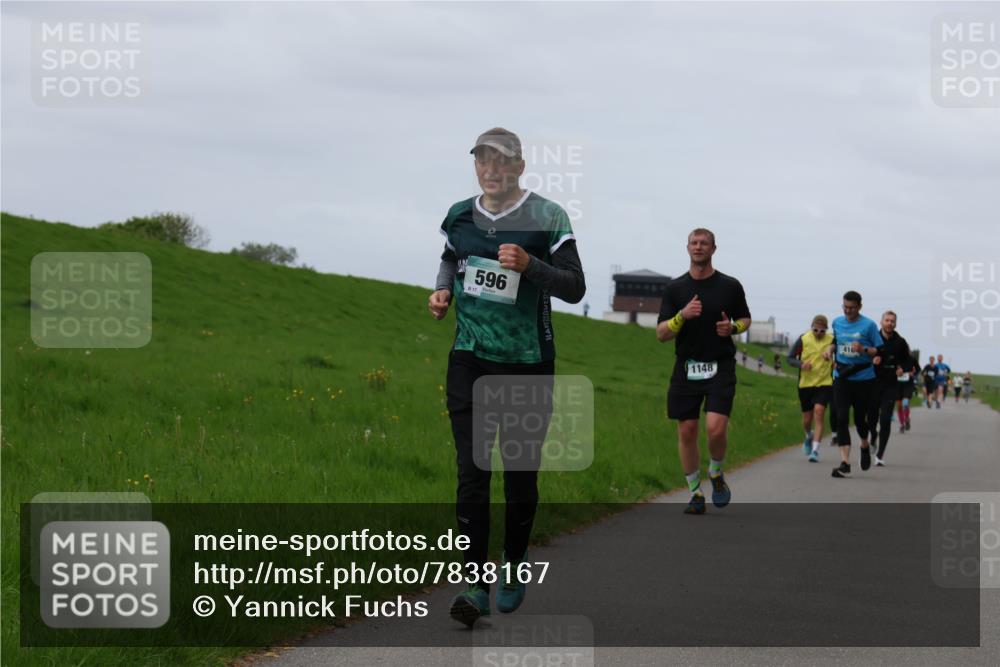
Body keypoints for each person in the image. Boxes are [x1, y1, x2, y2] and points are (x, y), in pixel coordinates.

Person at [429, 127, 586, 626]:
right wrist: (442, 293)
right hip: (469, 357)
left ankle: (513, 564)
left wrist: (531, 264)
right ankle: (474, 584)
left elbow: (576, 288)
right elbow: (451, 259)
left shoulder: (548, 216)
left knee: (519, 479)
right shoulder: (458, 214)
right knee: (473, 474)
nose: (491, 170)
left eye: (501, 162)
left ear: (519, 166)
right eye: (482, 161)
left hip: (527, 364)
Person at [656, 228, 751, 514]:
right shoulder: (675, 289)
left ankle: (717, 472)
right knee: (687, 430)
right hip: (686, 367)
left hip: (720, 365)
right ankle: (695, 493)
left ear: (713, 249)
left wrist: (732, 328)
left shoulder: (730, 286)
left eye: (704, 243)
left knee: (715, 427)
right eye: (694, 243)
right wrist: (681, 317)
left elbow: (745, 318)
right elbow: (661, 334)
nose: (698, 247)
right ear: (687, 248)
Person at [829, 291, 883, 479]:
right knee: (841, 418)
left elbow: (879, 350)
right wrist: (830, 350)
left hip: (863, 378)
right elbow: (835, 342)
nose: (848, 311)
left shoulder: (869, 325)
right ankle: (845, 463)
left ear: (859, 307)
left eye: (851, 308)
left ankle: (865, 444)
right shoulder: (836, 322)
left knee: (861, 421)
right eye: (845, 307)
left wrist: (864, 349)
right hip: (842, 377)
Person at [787, 315, 834, 462]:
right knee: (807, 420)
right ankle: (808, 435)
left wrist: (835, 362)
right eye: (815, 330)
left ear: (826, 330)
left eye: (822, 331)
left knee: (819, 413)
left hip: (824, 382)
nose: (819, 333)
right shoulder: (803, 339)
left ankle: (815, 451)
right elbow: (790, 358)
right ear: (811, 327)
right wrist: (801, 365)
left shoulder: (832, 340)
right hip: (806, 384)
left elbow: (840, 355)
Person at [871, 311, 912, 466]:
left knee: (885, 419)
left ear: (896, 324)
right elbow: (862, 355)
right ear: (881, 322)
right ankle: (873, 437)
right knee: (872, 419)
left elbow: (909, 362)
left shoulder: (900, 342)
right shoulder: (872, 338)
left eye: (892, 321)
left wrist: (902, 368)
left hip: (890, 385)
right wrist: (871, 360)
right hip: (872, 383)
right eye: (887, 320)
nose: (889, 323)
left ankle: (880, 454)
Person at [895, 352, 918, 433]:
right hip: (897, 385)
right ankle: (902, 425)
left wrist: (913, 373)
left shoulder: (911, 360)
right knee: (899, 406)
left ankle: (907, 418)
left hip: (908, 384)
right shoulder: (895, 359)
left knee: (905, 402)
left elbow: (917, 370)